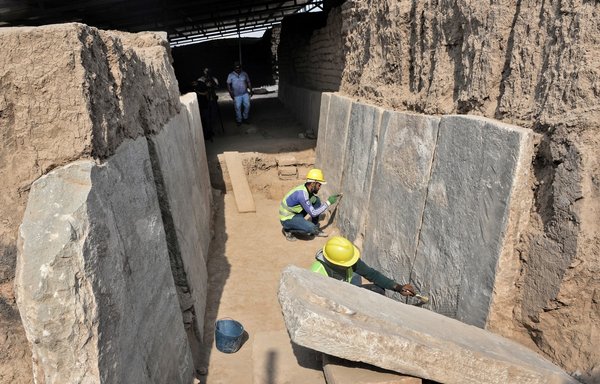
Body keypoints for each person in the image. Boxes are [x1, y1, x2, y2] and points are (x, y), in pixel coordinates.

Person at [310, 236, 416, 297]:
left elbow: (372, 274)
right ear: (334, 263)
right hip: (333, 297)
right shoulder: (317, 272)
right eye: (347, 264)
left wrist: (398, 287)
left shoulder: (347, 259)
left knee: (377, 289)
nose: (351, 264)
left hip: (345, 288)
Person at [279, 168, 341, 241]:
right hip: (287, 219)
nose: (320, 187)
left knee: (316, 200)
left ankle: (314, 228)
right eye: (319, 185)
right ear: (313, 184)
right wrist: (328, 202)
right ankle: (288, 229)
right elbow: (314, 213)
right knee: (311, 228)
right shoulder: (302, 194)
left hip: (295, 214)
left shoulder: (306, 188)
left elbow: (312, 204)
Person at [195, 68, 220, 141]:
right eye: (205, 72)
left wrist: (211, 83)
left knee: (213, 116)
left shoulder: (214, 79)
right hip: (204, 101)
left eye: (208, 72)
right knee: (206, 118)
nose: (207, 73)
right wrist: (205, 85)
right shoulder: (200, 80)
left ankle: (210, 130)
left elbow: (217, 87)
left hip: (212, 99)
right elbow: (198, 89)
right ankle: (207, 133)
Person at [226, 62, 252, 126]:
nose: (237, 69)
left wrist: (251, 90)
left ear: (241, 68)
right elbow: (228, 84)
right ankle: (239, 120)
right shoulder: (230, 75)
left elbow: (248, 82)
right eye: (236, 68)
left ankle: (245, 118)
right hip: (236, 94)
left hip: (245, 93)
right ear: (234, 68)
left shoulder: (244, 73)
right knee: (237, 107)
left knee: (247, 106)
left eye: (239, 67)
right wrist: (230, 92)